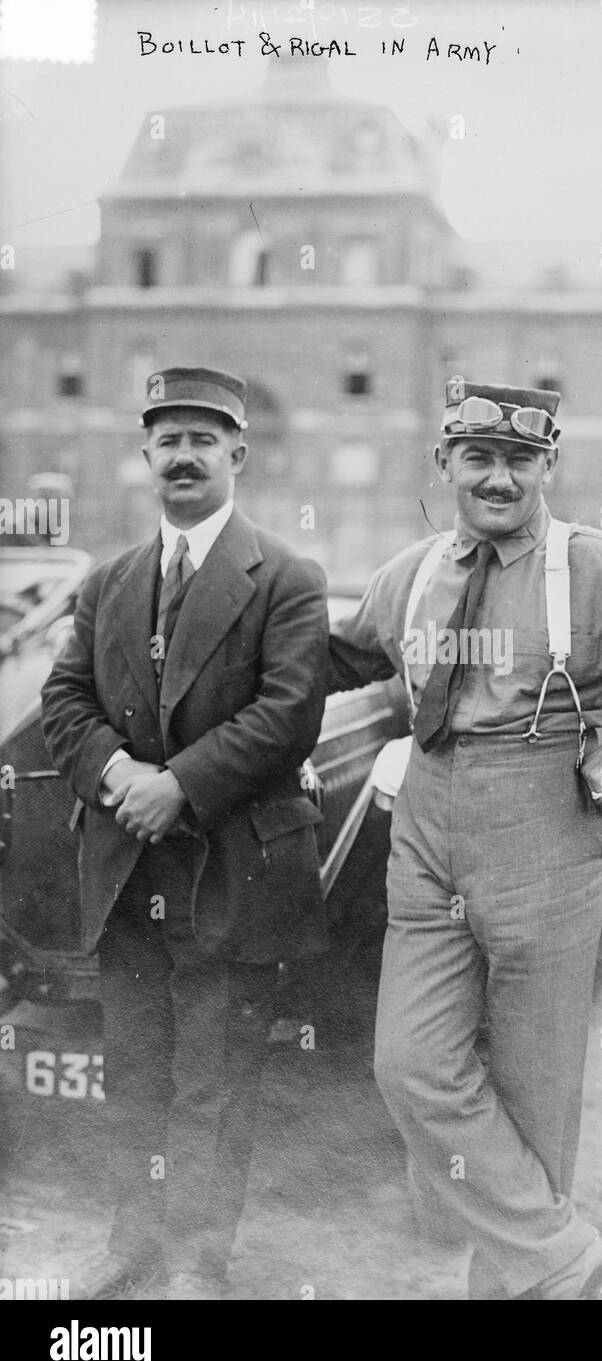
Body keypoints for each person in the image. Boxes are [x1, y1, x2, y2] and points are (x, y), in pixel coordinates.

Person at [328, 378, 602, 1300]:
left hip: (546, 821)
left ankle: (518, 1288)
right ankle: (567, 1262)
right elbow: (334, 660)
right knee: (410, 1064)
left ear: (548, 466)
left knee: (533, 1095)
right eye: (479, 457)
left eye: (520, 461)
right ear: (444, 461)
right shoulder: (408, 574)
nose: (499, 478)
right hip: (427, 817)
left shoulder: (601, 565)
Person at [41, 367, 329, 1300]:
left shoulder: (286, 576)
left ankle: (200, 1262)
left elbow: (289, 713)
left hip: (230, 870)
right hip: (126, 869)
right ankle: (133, 1246)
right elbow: (65, 700)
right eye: (167, 440)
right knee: (135, 1070)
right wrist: (120, 774)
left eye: (204, 440)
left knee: (215, 1078)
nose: (184, 456)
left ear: (237, 455)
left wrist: (180, 787)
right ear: (146, 457)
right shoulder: (111, 580)